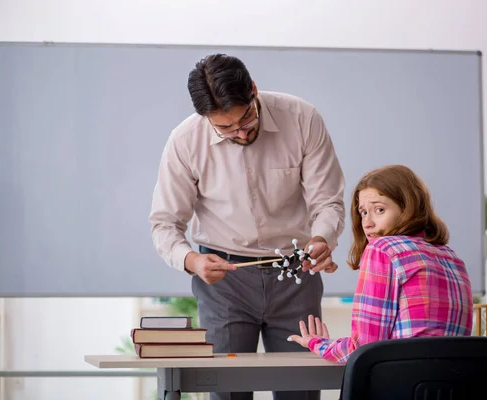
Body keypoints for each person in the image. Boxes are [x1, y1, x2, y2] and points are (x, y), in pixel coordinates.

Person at [148, 53, 345, 400]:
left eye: (245, 120)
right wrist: (192, 262)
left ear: (253, 90)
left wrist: (322, 238)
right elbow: (165, 223)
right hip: (224, 280)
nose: (238, 133)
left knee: (300, 391)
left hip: (296, 271)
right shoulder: (185, 141)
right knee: (226, 391)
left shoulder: (302, 118)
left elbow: (327, 201)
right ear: (204, 117)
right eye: (224, 128)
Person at [287, 164, 474, 364]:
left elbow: (363, 349)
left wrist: (318, 343)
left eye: (379, 209)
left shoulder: (383, 249)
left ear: (407, 208)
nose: (367, 223)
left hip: (401, 383)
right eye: (363, 213)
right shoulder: (453, 259)